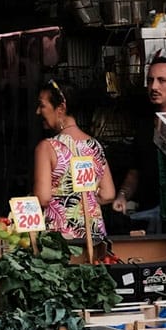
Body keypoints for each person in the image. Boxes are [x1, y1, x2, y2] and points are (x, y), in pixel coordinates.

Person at [112, 56, 166, 233]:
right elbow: (135, 170)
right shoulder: (145, 125)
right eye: (150, 80)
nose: (154, 87)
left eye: (162, 81)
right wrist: (122, 196)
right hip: (148, 213)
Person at [33, 80, 116, 241]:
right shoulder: (94, 145)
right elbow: (108, 194)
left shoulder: (47, 148)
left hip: (60, 240)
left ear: (61, 108)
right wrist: (82, 204)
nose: (38, 112)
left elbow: (42, 198)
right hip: (95, 236)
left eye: (42, 105)